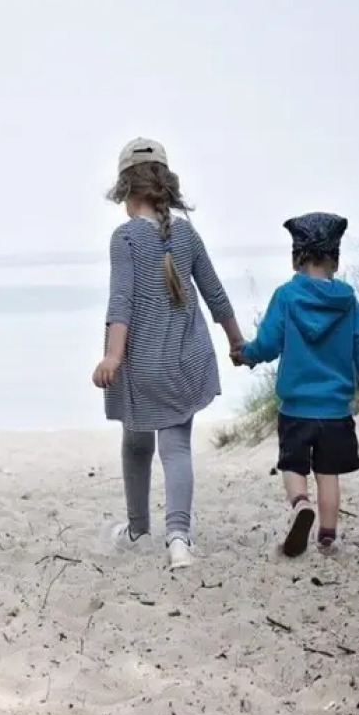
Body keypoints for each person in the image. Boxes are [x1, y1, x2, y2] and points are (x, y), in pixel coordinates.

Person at [92, 137, 246, 571]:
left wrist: (113, 358)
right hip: (185, 363)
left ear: (126, 190)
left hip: (140, 368)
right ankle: (179, 538)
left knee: (136, 445)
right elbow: (215, 293)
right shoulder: (187, 233)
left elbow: (119, 304)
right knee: (176, 449)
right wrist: (236, 342)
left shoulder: (124, 238)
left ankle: (138, 528)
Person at [234, 212, 359, 557]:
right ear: (335, 258)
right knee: (328, 473)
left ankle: (301, 505)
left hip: (297, 408)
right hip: (335, 411)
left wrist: (247, 355)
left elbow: (269, 343)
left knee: (292, 465)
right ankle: (328, 538)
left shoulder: (286, 296)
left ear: (296, 257)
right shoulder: (348, 302)